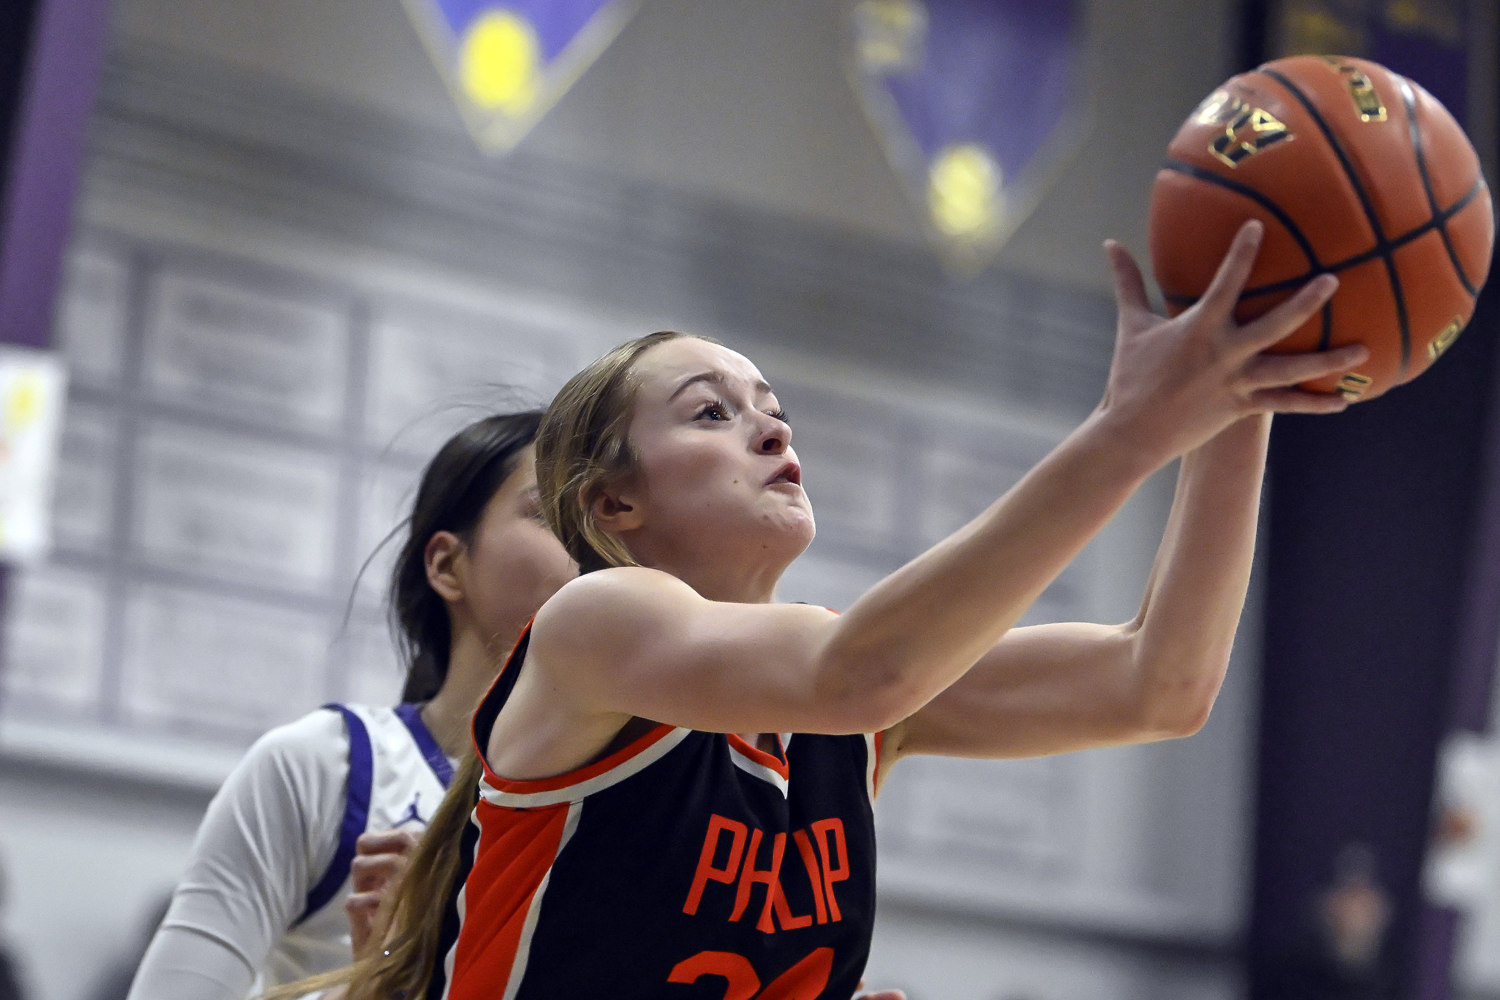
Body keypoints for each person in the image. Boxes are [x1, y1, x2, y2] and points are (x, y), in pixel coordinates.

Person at [293, 219, 1364, 1000]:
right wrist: (1131, 429)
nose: (770, 431)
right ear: (613, 503)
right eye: (711, 413)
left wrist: (1242, 393)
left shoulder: (841, 704)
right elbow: (865, 670)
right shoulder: (595, 625)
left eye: (773, 409)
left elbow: (1160, 684)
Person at [125, 410, 577, 1000]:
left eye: (607, 519)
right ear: (447, 564)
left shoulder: (649, 806)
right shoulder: (322, 767)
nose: (593, 546)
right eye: (553, 514)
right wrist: (389, 975)